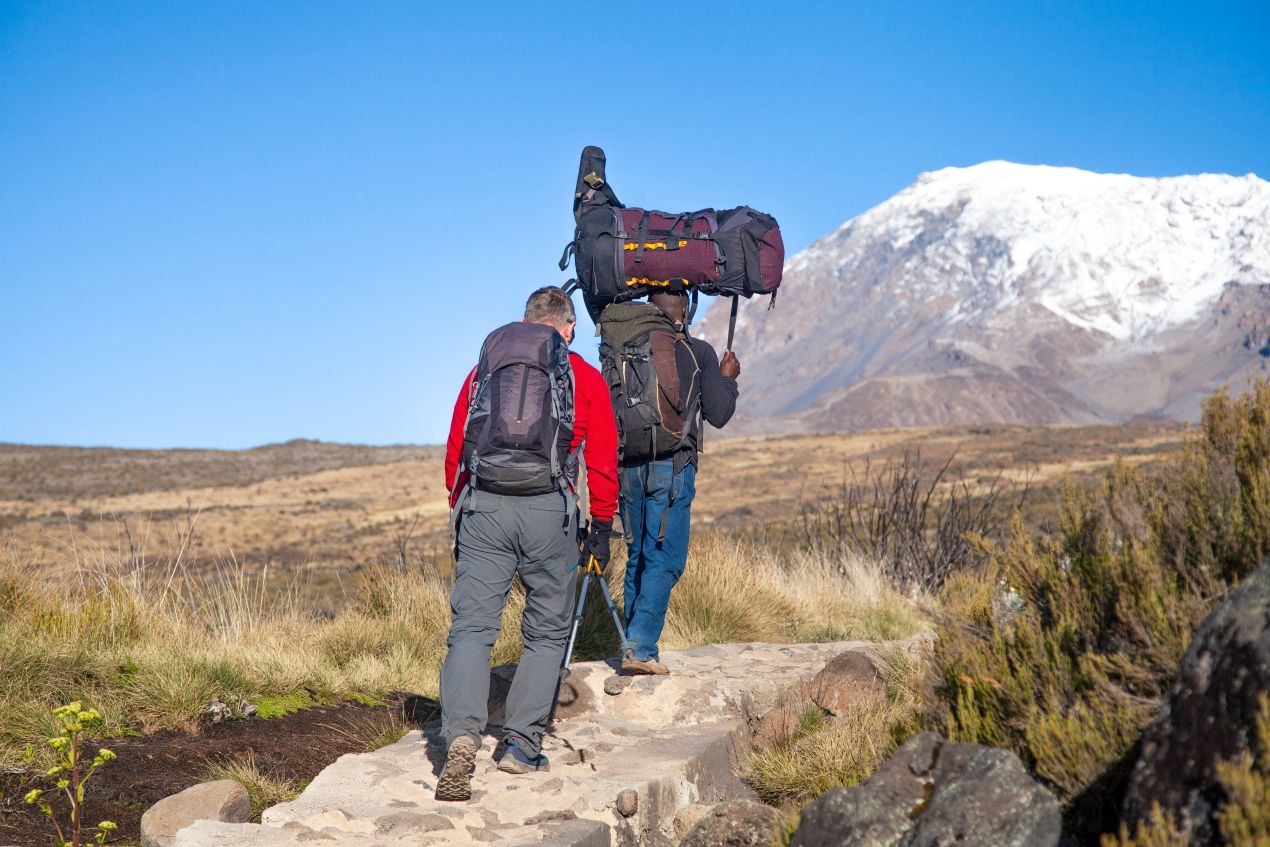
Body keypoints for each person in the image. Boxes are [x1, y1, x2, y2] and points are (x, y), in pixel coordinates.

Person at [436, 286, 618, 802]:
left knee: (471, 627)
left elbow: (457, 445)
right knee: (546, 631)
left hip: (485, 508)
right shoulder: (582, 375)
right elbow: (602, 459)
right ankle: (520, 744)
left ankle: (462, 736)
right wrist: (601, 527)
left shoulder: (487, 369)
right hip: (548, 512)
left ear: (523, 322)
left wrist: (461, 508)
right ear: (569, 327)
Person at [619, 289, 739, 675]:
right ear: (684, 313)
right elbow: (719, 414)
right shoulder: (697, 352)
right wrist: (728, 379)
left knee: (638, 556)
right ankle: (639, 648)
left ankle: (631, 640)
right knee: (665, 560)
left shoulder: (625, 348)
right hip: (672, 468)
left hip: (628, 468)